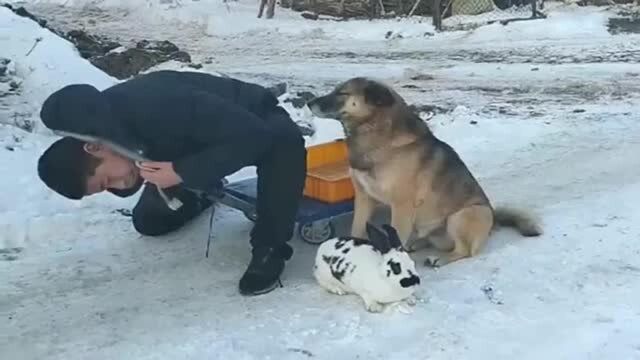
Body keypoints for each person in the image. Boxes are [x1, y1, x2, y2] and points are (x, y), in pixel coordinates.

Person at [36, 70, 307, 296]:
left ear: (94, 148)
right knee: (150, 222)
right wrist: (184, 173)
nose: (117, 187)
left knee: (282, 143)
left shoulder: (158, 107)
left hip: (252, 117)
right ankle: (202, 191)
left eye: (108, 180)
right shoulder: (107, 133)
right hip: (190, 141)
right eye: (107, 189)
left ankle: (269, 247)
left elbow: (253, 136)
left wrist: (182, 171)